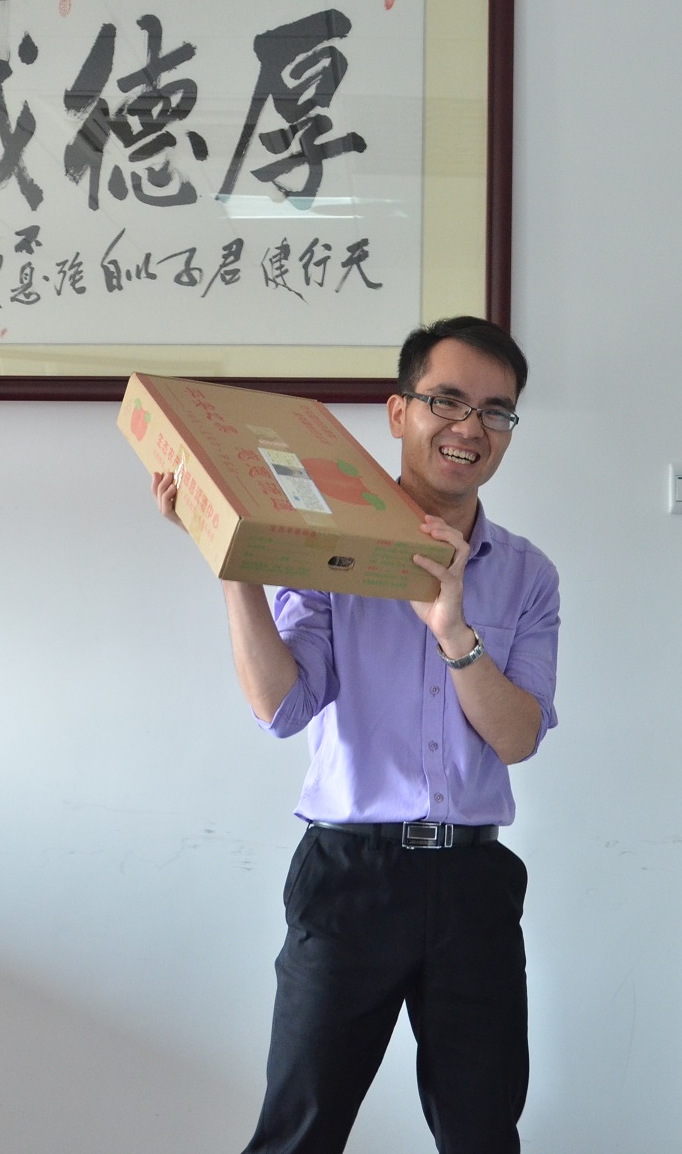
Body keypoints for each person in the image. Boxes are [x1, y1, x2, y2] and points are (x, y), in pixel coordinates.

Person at [150, 316, 561, 1154]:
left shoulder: (526, 574)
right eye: (447, 401)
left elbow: (518, 737)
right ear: (399, 411)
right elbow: (282, 708)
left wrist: (453, 631)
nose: (470, 427)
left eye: (496, 411)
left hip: (473, 882)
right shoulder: (324, 553)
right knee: (298, 1135)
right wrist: (236, 568)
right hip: (350, 879)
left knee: (483, 1136)